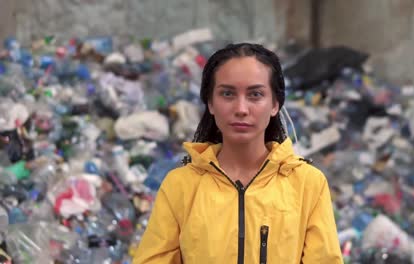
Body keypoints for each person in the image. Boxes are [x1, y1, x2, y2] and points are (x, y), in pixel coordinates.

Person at [133, 43, 343, 264]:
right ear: (211, 103)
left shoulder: (307, 184)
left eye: (255, 94)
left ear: (274, 104)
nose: (241, 108)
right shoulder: (181, 186)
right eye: (227, 93)